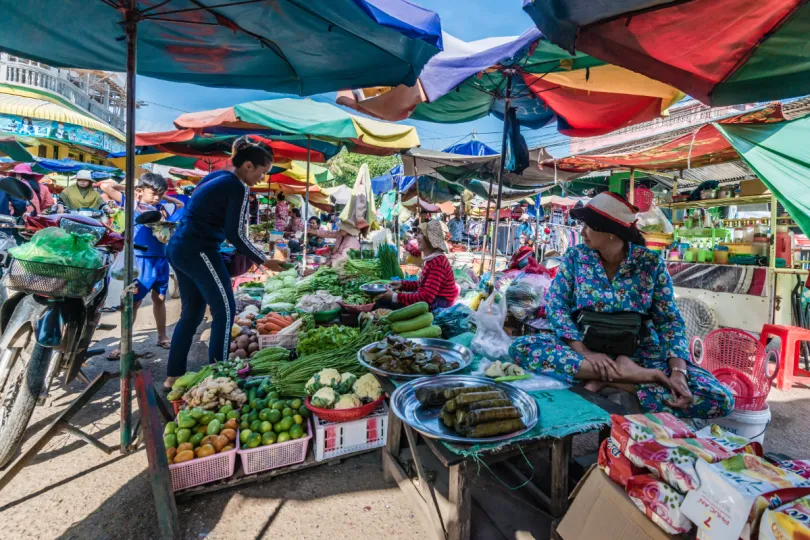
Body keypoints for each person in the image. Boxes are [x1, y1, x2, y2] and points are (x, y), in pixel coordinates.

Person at [509, 193, 733, 419]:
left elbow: (669, 322)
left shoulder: (650, 264)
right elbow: (556, 307)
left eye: (589, 226)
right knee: (521, 349)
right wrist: (585, 353)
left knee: (718, 398)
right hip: (585, 349)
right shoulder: (576, 257)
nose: (582, 232)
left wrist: (678, 372)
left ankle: (608, 377)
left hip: (639, 353)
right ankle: (637, 378)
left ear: (611, 234)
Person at [165, 137, 282, 389]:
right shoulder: (238, 187)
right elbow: (235, 233)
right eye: (263, 172)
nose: (263, 178)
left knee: (192, 315)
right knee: (225, 311)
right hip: (199, 250)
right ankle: (219, 376)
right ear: (248, 166)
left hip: (180, 247)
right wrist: (263, 260)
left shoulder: (215, 177)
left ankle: (173, 375)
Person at [100, 173, 185, 359]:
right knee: (134, 303)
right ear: (140, 190)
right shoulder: (130, 203)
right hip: (139, 259)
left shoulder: (162, 208)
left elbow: (180, 205)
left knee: (160, 298)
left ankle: (162, 336)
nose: (156, 197)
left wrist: (164, 196)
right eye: (153, 193)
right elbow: (106, 186)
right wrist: (134, 191)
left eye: (160, 194)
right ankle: (124, 344)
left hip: (161, 259)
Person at [377, 220, 458, 310]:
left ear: (430, 239)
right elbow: (422, 285)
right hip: (431, 300)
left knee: (387, 304)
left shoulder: (438, 263)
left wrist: (395, 297)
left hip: (438, 305)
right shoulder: (432, 260)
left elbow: (426, 298)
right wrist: (401, 285)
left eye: (421, 234)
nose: (417, 237)